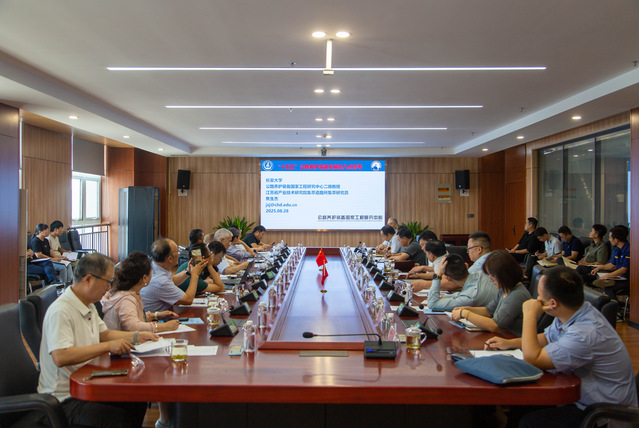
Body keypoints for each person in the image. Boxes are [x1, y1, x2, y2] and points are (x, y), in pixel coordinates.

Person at [485, 267, 637, 428]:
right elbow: (546, 338)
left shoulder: (584, 334)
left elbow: (533, 359)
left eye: (539, 297)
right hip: (582, 399)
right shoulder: (576, 311)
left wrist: (529, 314)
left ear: (552, 304)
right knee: (523, 404)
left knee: (529, 423)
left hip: (600, 415)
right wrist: (509, 343)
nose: (536, 301)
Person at [38, 253, 158, 428]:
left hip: (88, 383)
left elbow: (105, 334)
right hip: (64, 398)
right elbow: (60, 356)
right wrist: (107, 347)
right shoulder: (61, 310)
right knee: (118, 420)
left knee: (136, 399)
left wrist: (136, 336)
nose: (109, 287)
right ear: (88, 279)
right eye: (107, 281)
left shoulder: (87, 304)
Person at [451, 250, 531, 336]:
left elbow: (494, 325)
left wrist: (465, 314)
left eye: (492, 276)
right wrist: (465, 309)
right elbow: (488, 311)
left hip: (514, 338)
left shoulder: (517, 295)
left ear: (504, 274)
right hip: (503, 336)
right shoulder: (505, 288)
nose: (490, 280)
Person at [101, 251, 180, 333]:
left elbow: (135, 317)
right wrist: (165, 326)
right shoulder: (126, 299)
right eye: (151, 272)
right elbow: (132, 326)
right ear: (144, 278)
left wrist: (155, 315)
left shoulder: (128, 291)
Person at [140, 238, 206, 313]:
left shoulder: (154, 267)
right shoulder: (161, 281)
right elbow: (188, 300)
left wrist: (188, 271)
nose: (179, 254)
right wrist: (195, 275)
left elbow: (172, 280)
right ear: (170, 259)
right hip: (159, 318)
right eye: (177, 252)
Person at [426, 254, 497, 311]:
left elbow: (432, 304)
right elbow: (466, 292)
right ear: (466, 266)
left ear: (448, 278)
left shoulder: (469, 298)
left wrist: (438, 275)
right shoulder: (482, 272)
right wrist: (448, 296)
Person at [590, 225, 630, 300]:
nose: (609, 240)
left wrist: (607, 276)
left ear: (616, 240)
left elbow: (623, 269)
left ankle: (615, 306)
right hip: (620, 277)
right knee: (600, 277)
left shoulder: (628, 250)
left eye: (610, 238)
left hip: (628, 279)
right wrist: (599, 268)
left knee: (608, 288)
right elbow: (612, 265)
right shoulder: (617, 249)